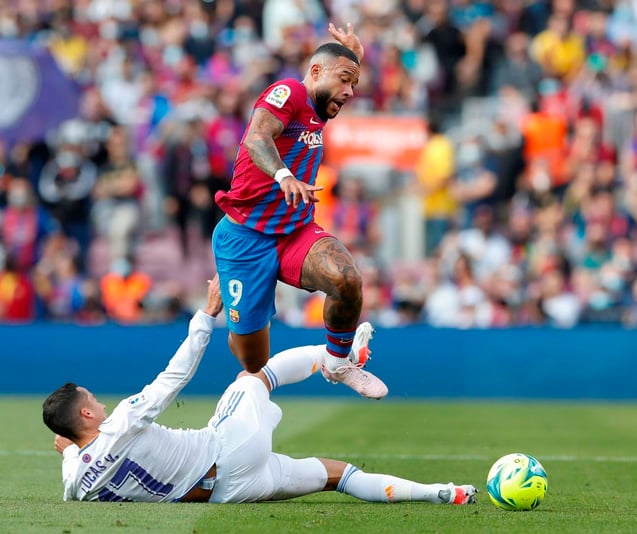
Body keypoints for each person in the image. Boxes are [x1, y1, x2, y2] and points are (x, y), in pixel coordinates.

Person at [42, 276, 477, 505]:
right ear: (85, 416)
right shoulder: (119, 424)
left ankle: (442, 492)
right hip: (225, 450)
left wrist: (68, 449)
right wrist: (205, 315)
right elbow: (173, 377)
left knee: (337, 476)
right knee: (253, 375)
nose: (98, 401)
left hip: (230, 492)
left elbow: (73, 466)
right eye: (91, 400)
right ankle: (337, 360)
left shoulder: (76, 481)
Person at [211, 22, 387, 399]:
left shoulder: (321, 107)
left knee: (347, 279)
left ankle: (338, 361)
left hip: (294, 232)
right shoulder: (288, 90)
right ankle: (235, 307)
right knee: (253, 362)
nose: (350, 91)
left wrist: (355, 55)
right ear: (316, 72)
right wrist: (283, 175)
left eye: (353, 84)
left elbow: (337, 83)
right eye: (344, 80)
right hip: (244, 239)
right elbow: (257, 136)